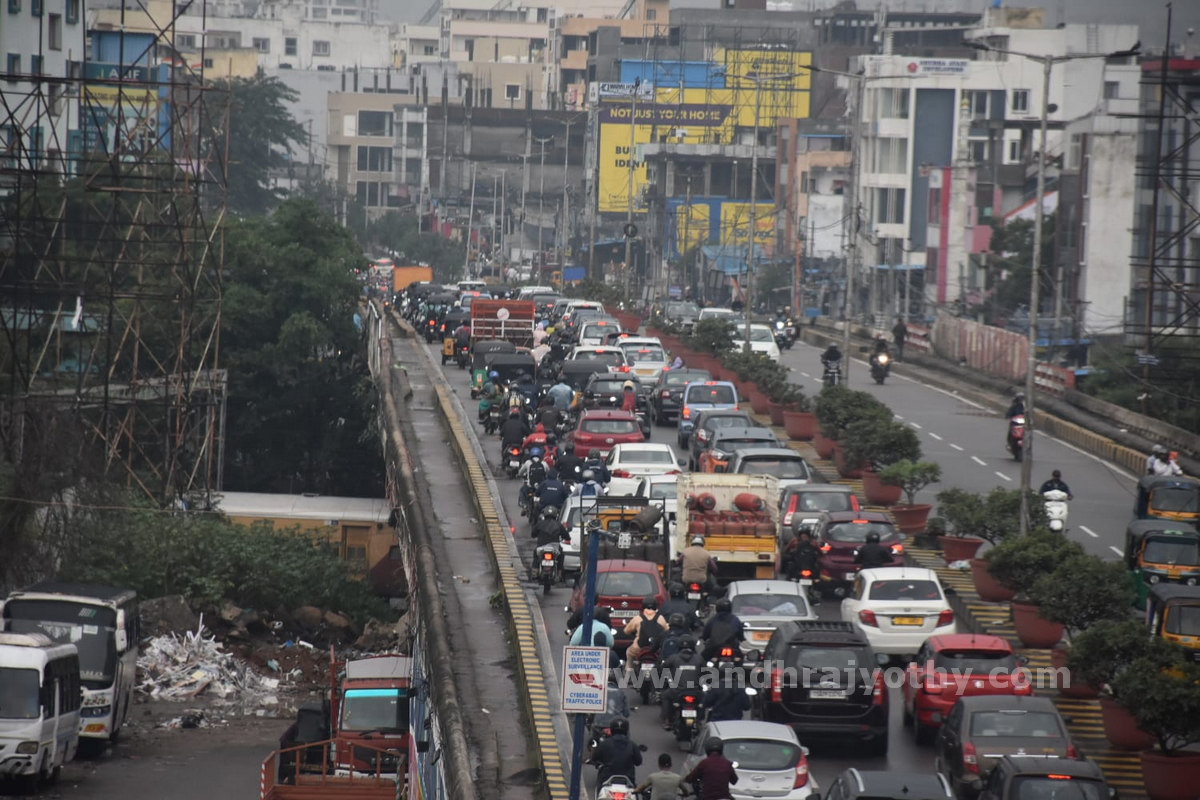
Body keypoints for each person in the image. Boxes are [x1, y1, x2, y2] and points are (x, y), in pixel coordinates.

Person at [660, 636, 705, 728]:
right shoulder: (699, 658)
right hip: (696, 692)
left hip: (677, 691)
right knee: (704, 698)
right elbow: (707, 673)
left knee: (665, 695)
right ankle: (699, 719)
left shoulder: (673, 658)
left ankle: (667, 720)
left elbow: (662, 669)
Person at [590, 717, 642, 785]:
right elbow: (638, 762)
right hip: (628, 778)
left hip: (607, 777)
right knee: (634, 793)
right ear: (626, 730)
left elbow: (595, 758)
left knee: (600, 789)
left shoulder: (604, 744)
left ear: (611, 729)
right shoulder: (632, 744)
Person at [623, 597, 668, 669]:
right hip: (656, 649)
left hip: (639, 649)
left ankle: (629, 674)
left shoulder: (638, 618)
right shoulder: (660, 618)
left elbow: (626, 631)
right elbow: (666, 630)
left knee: (629, 652)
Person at [530, 506, 569, 574]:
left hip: (541, 547)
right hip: (555, 548)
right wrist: (567, 538)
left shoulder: (539, 524)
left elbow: (533, 534)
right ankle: (559, 572)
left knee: (535, 553)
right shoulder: (559, 525)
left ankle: (535, 570)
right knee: (561, 555)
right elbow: (566, 536)